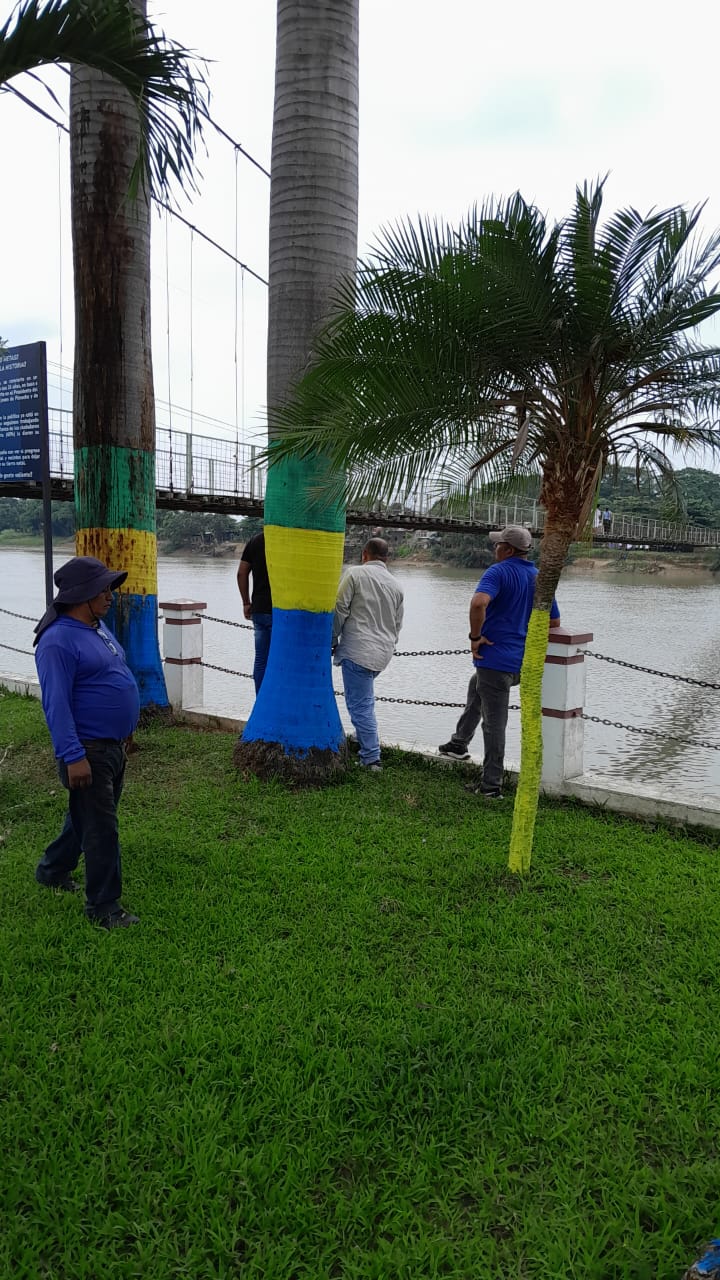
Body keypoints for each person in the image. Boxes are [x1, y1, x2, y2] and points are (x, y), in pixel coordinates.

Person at [33, 556, 141, 928]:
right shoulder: (57, 641)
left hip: (112, 746)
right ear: (82, 595)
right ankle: (104, 907)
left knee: (86, 818)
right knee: (101, 829)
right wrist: (72, 755)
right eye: (103, 589)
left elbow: (112, 674)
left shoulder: (96, 627)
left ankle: (52, 869)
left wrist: (126, 725)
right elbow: (56, 704)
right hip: (87, 750)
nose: (110, 595)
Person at [438, 525, 561, 798]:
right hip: (523, 662)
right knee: (477, 687)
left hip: (494, 659)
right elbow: (554, 621)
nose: (495, 548)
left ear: (507, 549)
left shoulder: (498, 571)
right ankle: (459, 743)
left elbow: (478, 603)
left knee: (494, 724)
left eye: (497, 545)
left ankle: (491, 786)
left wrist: (475, 637)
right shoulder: (539, 577)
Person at [332, 537, 404, 771]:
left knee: (360, 706)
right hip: (382, 654)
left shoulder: (355, 574)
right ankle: (362, 737)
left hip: (358, 651)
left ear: (364, 554)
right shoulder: (396, 585)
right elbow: (397, 624)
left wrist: (332, 639)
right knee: (365, 701)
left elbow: (340, 608)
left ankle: (371, 758)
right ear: (386, 558)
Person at [237, 530, 272, 693]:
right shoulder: (287, 536)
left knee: (261, 660)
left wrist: (246, 602)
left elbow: (241, 573)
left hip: (259, 609)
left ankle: (261, 699)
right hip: (282, 611)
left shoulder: (256, 540)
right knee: (281, 659)